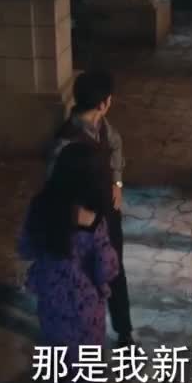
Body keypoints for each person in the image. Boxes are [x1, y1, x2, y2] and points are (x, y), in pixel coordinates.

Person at [19, 142, 119, 383]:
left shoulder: (40, 206)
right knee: (84, 370)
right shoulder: (94, 219)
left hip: (51, 300)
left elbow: (26, 249)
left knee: (56, 360)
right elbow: (105, 270)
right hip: (85, 308)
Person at [45, 69, 136, 346]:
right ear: (104, 102)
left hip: (108, 215)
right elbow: (53, 189)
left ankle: (123, 331)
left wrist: (117, 182)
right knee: (84, 279)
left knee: (115, 271)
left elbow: (117, 146)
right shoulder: (66, 142)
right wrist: (74, 215)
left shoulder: (103, 126)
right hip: (81, 226)